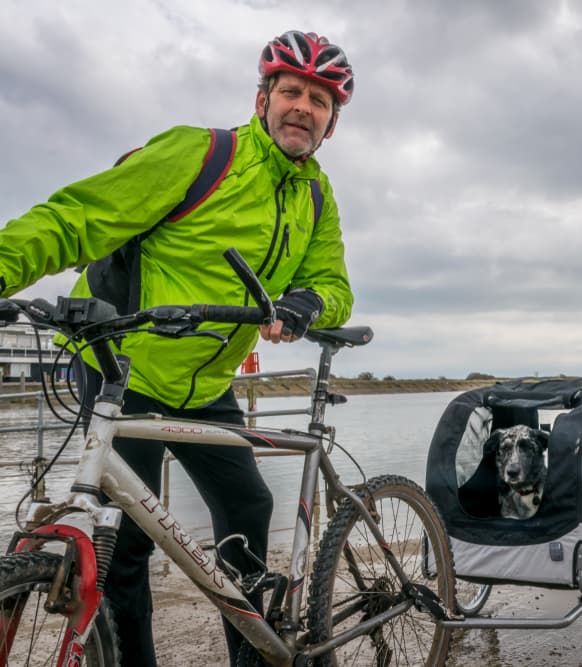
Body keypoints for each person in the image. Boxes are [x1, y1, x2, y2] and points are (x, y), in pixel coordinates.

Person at [0, 30, 355, 665]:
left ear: (330, 122)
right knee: (123, 546)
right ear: (262, 99)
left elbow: (333, 284)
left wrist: (308, 302)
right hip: (123, 371)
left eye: (320, 100)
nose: (304, 106)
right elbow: (77, 217)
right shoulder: (201, 154)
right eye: (292, 91)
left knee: (248, 505)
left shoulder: (315, 199)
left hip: (208, 384)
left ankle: (257, 654)